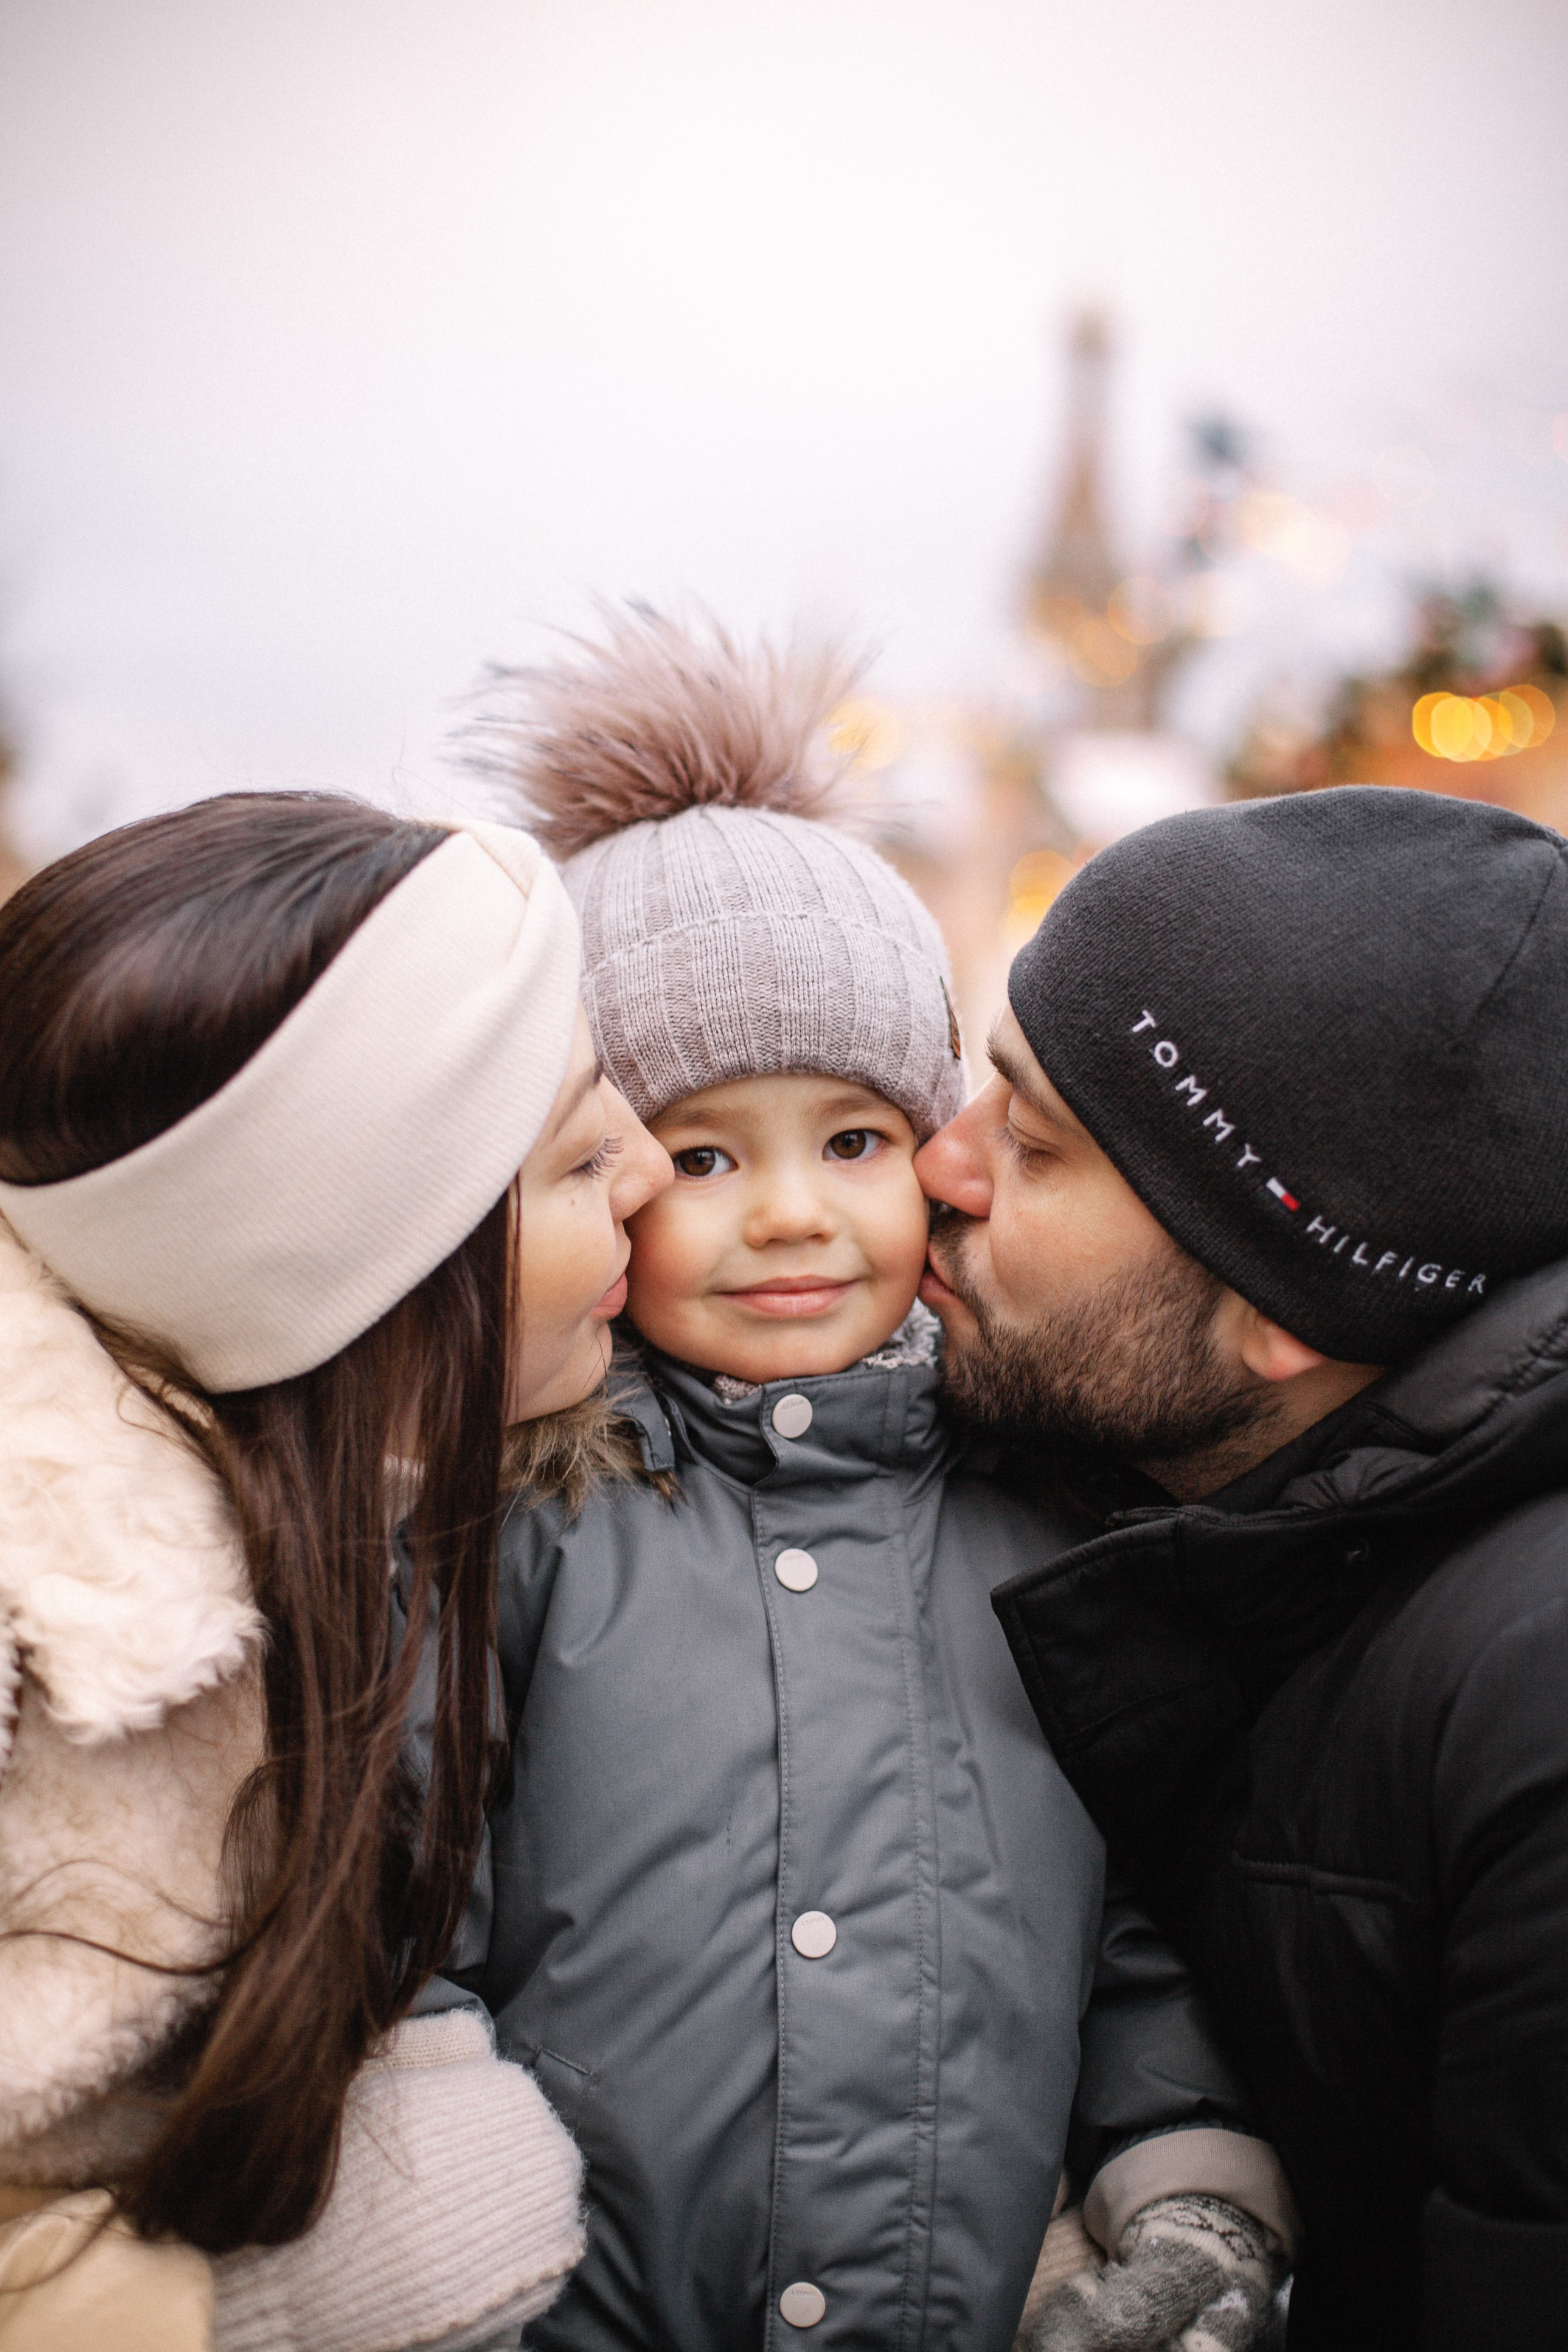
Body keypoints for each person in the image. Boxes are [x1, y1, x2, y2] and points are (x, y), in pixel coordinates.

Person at [448, 608, 1298, 2352]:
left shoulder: (1053, 1508)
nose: (788, 1212)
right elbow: (408, 1933)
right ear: (594, 1167)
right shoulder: (524, 1517)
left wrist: (1187, 2186)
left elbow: (1126, 1915)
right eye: (699, 1152)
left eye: (851, 1137)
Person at [0, 792, 666, 2349]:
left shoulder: (327, 1515)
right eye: (574, 1156)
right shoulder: (45, 1633)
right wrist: (244, 2307)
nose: (650, 1163)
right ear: (379, 1275)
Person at [914, 785, 1568, 2352]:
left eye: (1036, 1142)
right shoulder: (1143, 1483)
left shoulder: (1533, 1709)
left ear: (1288, 1305)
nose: (939, 1165)